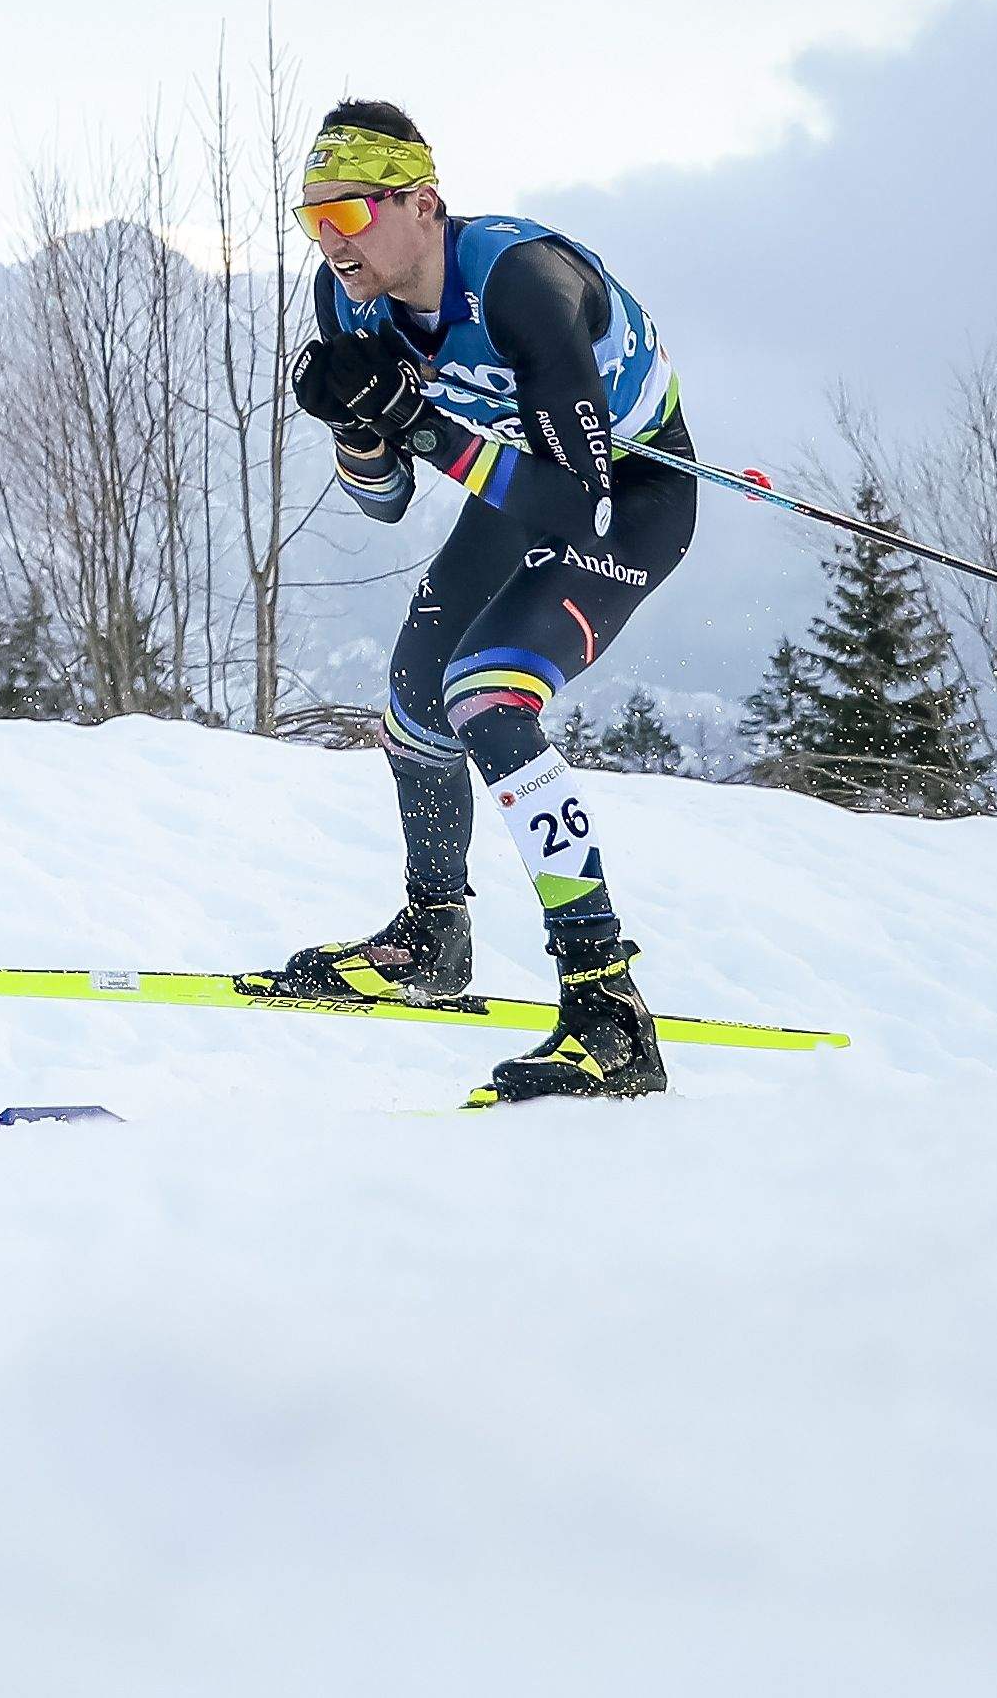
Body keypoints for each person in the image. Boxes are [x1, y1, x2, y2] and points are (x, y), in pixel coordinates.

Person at [264, 100, 696, 1104]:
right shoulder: (352, 301)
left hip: (622, 500)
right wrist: (358, 427)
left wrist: (417, 423)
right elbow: (383, 505)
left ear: (421, 203)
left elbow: (570, 498)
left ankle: (606, 1003)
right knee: (413, 697)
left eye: (348, 213)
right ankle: (432, 935)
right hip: (509, 486)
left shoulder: (521, 284)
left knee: (486, 699)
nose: (328, 241)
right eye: (309, 218)